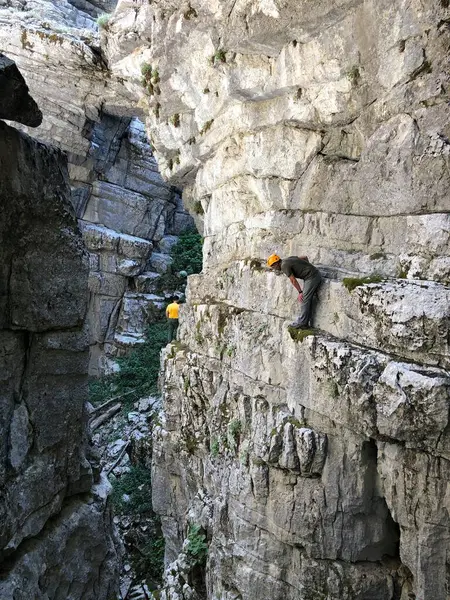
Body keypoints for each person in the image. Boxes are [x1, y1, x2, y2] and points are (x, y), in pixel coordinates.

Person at [267, 254, 322, 329]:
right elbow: (304, 257)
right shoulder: (287, 259)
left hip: (312, 277)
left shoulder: (284, 266)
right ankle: (304, 321)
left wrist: (300, 292)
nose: (274, 268)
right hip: (311, 275)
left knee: (304, 298)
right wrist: (307, 268)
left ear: (276, 263)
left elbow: (293, 280)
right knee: (306, 297)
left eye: (273, 266)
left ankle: (303, 323)